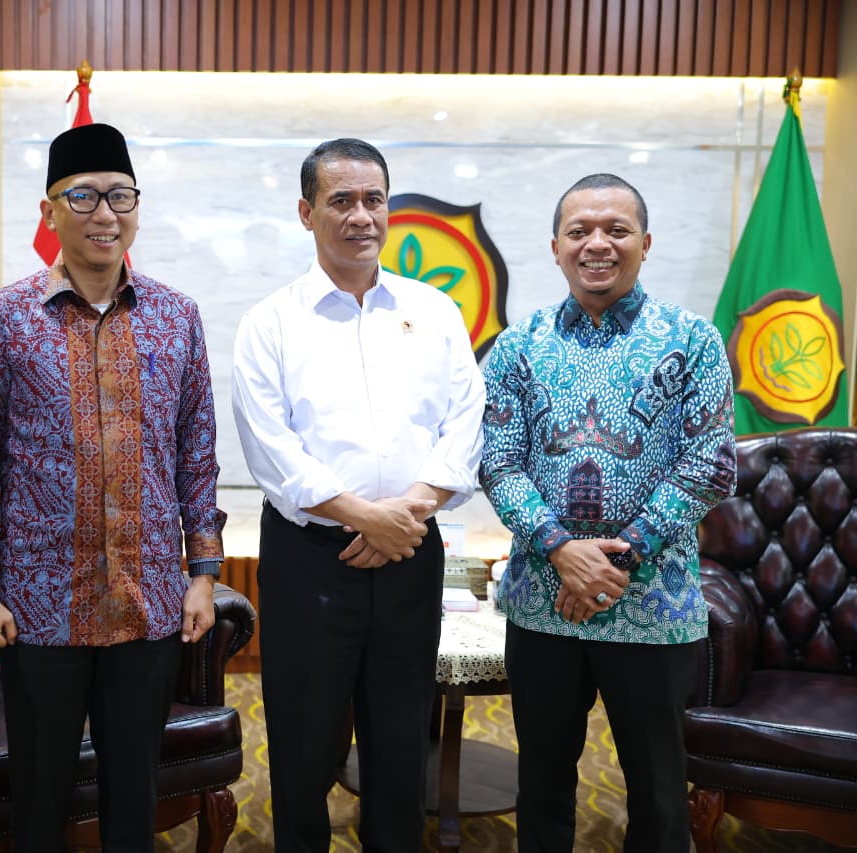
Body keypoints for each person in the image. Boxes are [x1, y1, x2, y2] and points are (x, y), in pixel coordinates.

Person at [0, 122, 226, 852]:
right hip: (38, 604)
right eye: (83, 196)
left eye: (120, 196)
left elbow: (196, 455)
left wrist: (203, 574)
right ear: (50, 212)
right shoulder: (5, 318)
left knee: (133, 796)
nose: (104, 213)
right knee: (40, 799)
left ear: (136, 207)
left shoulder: (177, 317)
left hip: (147, 600)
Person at [232, 138, 486, 852]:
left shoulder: (433, 311)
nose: (360, 216)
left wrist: (406, 514)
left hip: (410, 552)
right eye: (341, 200)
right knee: (304, 743)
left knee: (401, 739)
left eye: (374, 199)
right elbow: (272, 449)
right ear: (306, 212)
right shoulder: (270, 322)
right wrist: (368, 517)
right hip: (310, 558)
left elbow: (467, 421)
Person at [479, 173, 737, 852]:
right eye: (580, 231)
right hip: (545, 605)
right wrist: (562, 550)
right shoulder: (518, 345)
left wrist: (616, 558)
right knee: (541, 784)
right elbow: (497, 462)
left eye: (616, 229)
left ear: (645, 243)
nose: (598, 243)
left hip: (655, 606)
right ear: (556, 248)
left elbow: (711, 464)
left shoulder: (694, 339)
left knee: (658, 791)